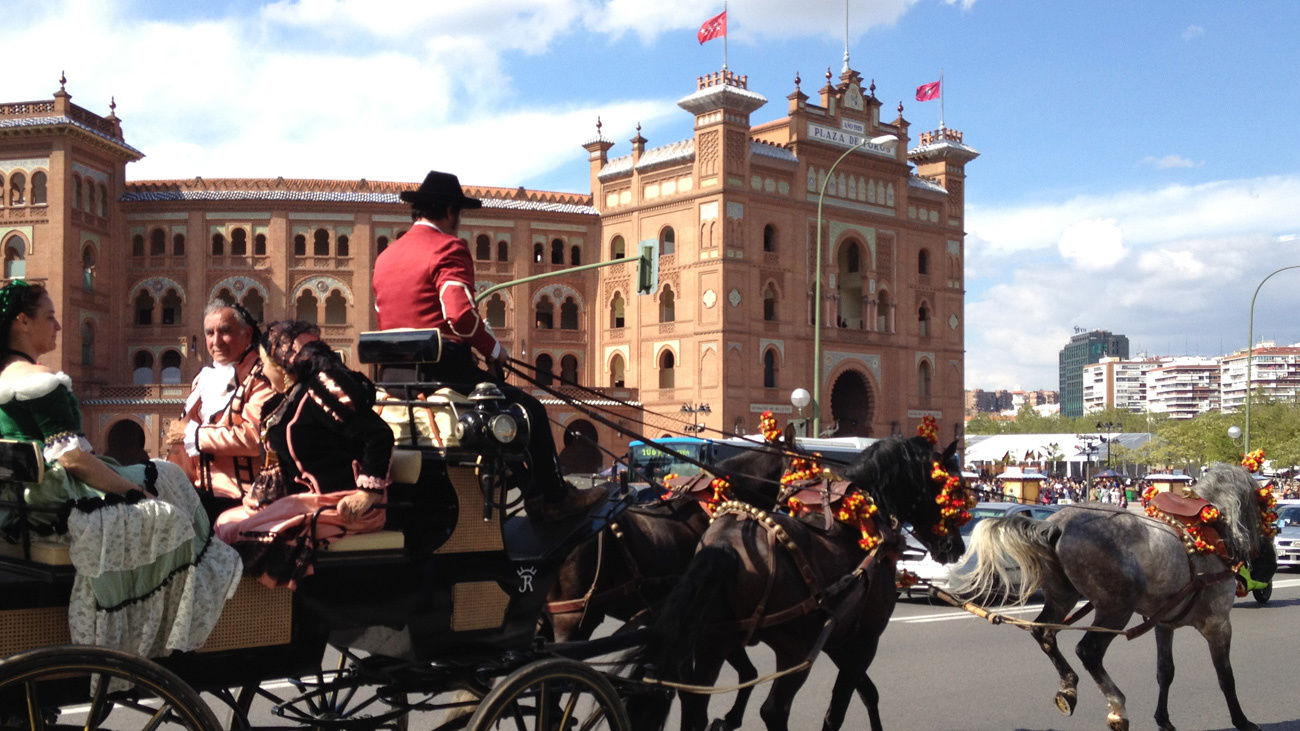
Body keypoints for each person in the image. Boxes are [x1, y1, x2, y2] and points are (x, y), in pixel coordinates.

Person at [0, 280, 241, 657]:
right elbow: (73, 459)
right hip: (58, 497)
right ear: (22, 322)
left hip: (20, 500)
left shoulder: (5, 375)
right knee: (168, 489)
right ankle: (183, 613)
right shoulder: (41, 381)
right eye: (49, 317)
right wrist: (133, 492)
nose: (58, 326)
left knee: (165, 473)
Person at [372, 169, 604, 522]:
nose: (459, 222)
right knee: (530, 410)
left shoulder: (385, 257)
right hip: (444, 373)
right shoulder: (448, 248)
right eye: (459, 213)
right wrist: (495, 350)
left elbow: (385, 317)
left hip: (392, 379)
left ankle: (532, 493)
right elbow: (459, 316)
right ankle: (553, 498)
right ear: (450, 211)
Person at [215, 320, 394, 588]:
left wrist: (367, 494)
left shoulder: (322, 391)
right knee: (225, 522)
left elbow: (378, 435)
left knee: (246, 533)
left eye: (264, 363)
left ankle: (272, 605)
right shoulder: (287, 397)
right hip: (305, 500)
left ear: (281, 365)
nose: (261, 370)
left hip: (341, 504)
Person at [168, 300, 275, 522]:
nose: (216, 341)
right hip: (198, 496)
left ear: (247, 335)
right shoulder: (203, 378)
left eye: (225, 332)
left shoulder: (261, 377)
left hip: (243, 499)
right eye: (210, 333)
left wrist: (193, 435)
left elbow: (253, 438)